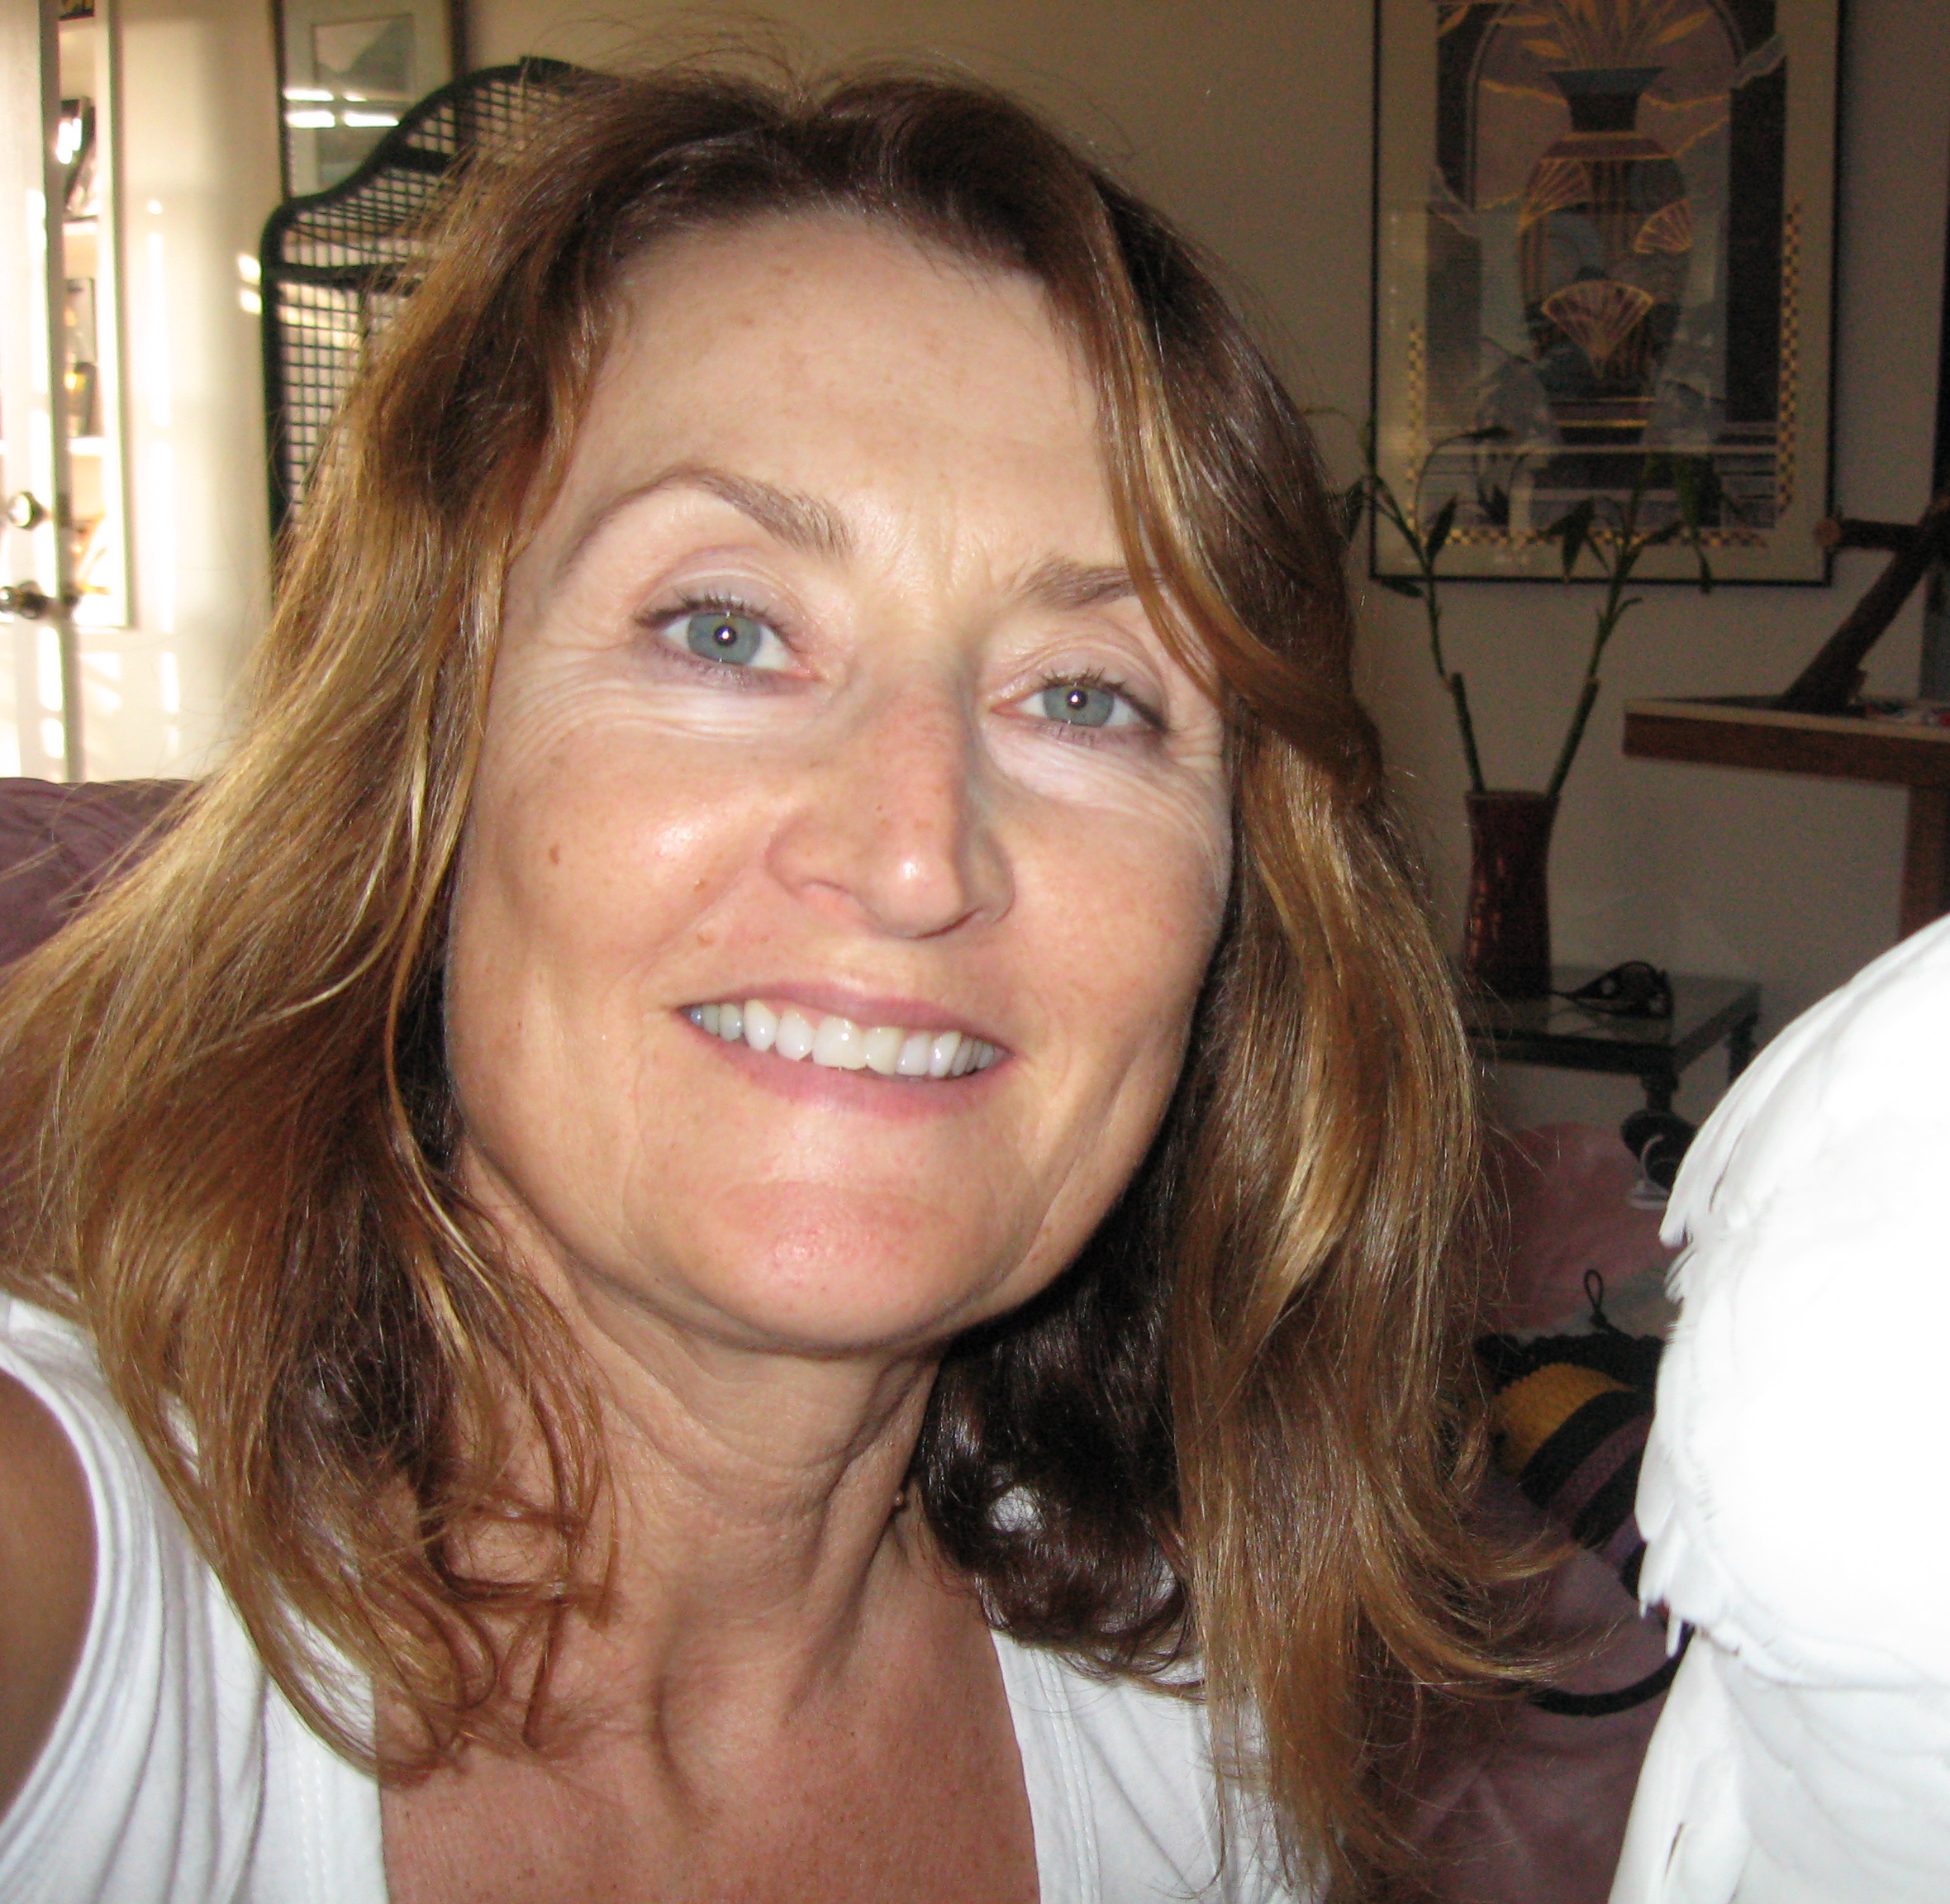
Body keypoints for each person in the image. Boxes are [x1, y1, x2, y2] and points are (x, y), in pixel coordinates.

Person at [0, 64, 1525, 1902]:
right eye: (723, 631)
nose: (911, 854)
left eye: (1086, 695)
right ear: (423, 761)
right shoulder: (70, 1601)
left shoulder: (1195, 1740)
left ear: (1232, 929)